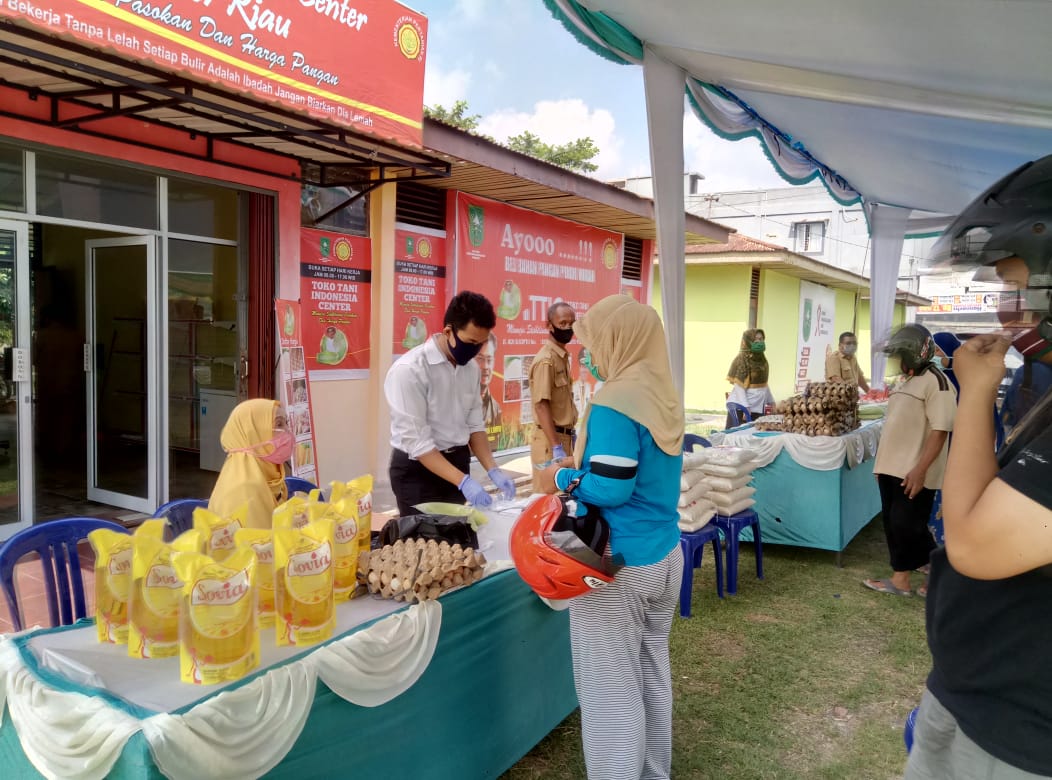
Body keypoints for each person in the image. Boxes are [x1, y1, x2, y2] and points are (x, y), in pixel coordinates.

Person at [904, 154, 1052, 779]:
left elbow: (969, 540)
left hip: (1014, 739)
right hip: (983, 708)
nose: (1008, 311)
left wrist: (974, 391)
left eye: (1021, 287)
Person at [535, 294, 684, 780]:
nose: (587, 354)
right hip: (663, 555)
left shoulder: (618, 401)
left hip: (614, 566)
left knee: (609, 692)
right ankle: (651, 772)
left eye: (594, 343)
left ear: (619, 341)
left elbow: (613, 488)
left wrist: (565, 479)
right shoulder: (662, 390)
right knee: (649, 674)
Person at [384, 291, 516, 517]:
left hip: (456, 464)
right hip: (417, 472)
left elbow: (475, 425)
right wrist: (465, 482)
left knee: (457, 541)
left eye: (481, 344)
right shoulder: (410, 371)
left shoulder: (470, 368)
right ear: (448, 331)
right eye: (471, 342)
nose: (475, 350)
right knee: (424, 546)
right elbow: (419, 444)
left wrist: (493, 469)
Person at [863, 324, 955, 597]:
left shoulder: (938, 383)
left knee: (908, 525)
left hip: (914, 469)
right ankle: (903, 579)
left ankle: (941, 573)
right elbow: (895, 425)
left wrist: (920, 469)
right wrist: (881, 464)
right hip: (891, 467)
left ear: (915, 353)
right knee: (895, 524)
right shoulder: (908, 380)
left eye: (900, 355)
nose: (897, 362)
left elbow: (940, 430)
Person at [208, 398, 290, 529]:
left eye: (287, 423)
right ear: (253, 433)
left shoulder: (270, 472)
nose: (288, 431)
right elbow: (257, 544)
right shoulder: (243, 490)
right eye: (279, 424)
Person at [529, 302, 578, 492]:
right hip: (550, 441)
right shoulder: (546, 360)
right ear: (549, 325)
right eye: (563, 323)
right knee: (547, 498)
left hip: (562, 438)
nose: (567, 328)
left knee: (563, 499)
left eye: (571, 323)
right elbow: (541, 405)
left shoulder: (561, 357)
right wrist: (556, 446)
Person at [726, 328, 774, 426]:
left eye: (761, 339)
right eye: (756, 339)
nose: (759, 342)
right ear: (748, 341)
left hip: (757, 405)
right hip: (741, 407)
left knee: (753, 436)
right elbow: (739, 386)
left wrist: (771, 401)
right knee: (737, 436)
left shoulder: (762, 359)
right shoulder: (742, 359)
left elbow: (763, 384)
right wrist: (745, 406)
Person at [476, 332, 502, 445]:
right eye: (480, 359)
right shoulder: (456, 401)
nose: (485, 366)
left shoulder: (496, 408)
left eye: (489, 360)